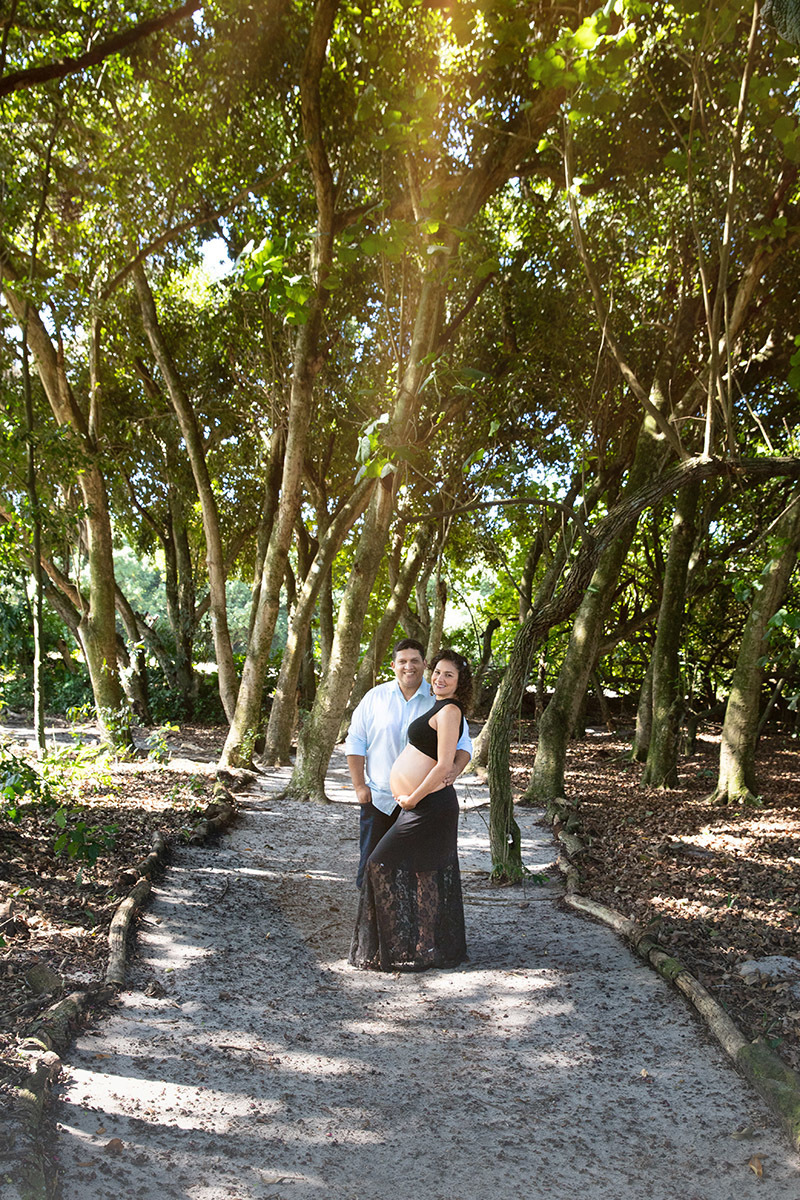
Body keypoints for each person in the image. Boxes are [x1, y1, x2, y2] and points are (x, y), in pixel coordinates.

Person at [349, 649, 473, 972]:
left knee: (380, 863)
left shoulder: (450, 710)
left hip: (428, 805)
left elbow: (445, 763)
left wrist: (414, 797)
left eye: (449, 675)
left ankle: (403, 945)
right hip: (410, 802)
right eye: (439, 672)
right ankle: (418, 946)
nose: (440, 678)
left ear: (460, 681)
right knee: (423, 873)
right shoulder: (434, 704)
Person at [345, 638, 472, 889]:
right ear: (393, 665)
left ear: (424, 664)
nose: (408, 666)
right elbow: (356, 740)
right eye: (402, 661)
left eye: (415, 661)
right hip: (379, 799)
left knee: (415, 875)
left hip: (422, 803)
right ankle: (371, 916)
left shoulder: (439, 698)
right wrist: (359, 786)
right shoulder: (375, 697)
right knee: (371, 871)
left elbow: (464, 744)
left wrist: (454, 770)